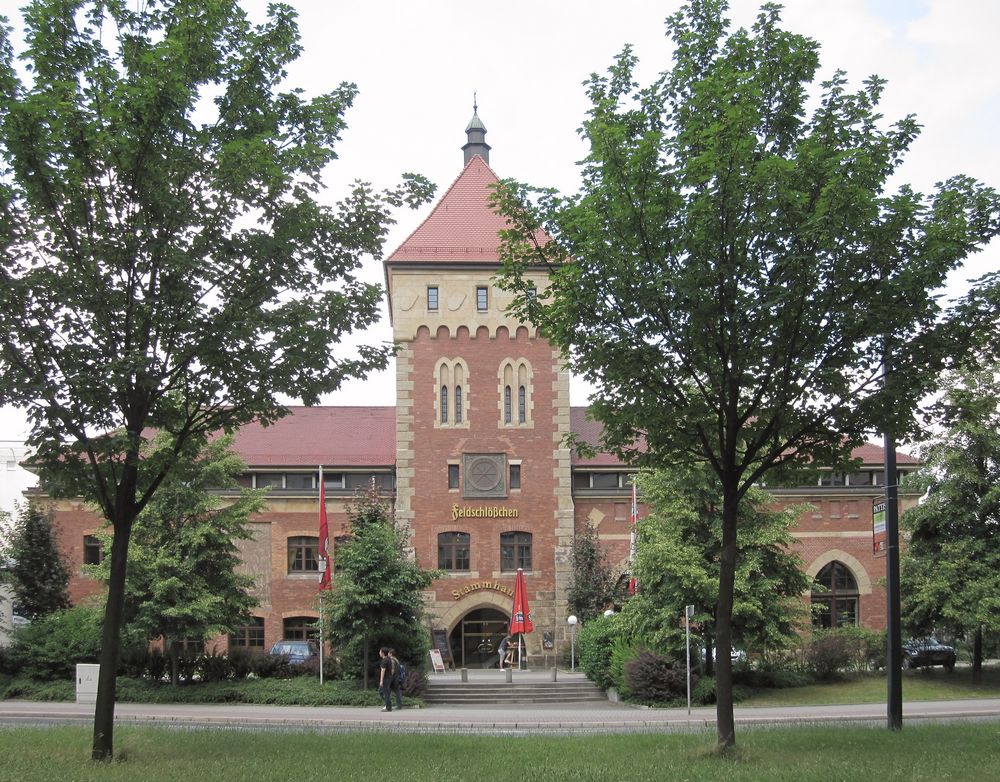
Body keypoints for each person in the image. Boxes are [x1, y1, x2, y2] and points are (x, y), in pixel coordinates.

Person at [377, 647, 394, 712]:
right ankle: (388, 705)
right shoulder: (389, 659)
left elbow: (383, 670)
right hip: (389, 678)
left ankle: (388, 707)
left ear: (383, 653)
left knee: (385, 693)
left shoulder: (384, 660)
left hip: (386, 679)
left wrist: (381, 680)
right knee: (383, 692)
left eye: (380, 652)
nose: (379, 653)